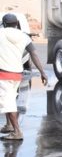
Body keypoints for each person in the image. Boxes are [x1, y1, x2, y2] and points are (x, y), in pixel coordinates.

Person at [0, 13, 47, 141]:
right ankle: (9, 126)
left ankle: (17, 132)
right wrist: (42, 72)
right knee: (9, 99)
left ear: (3, 23)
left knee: (7, 102)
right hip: (16, 74)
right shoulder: (24, 36)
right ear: (17, 24)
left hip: (3, 74)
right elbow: (34, 54)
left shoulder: (1, 33)